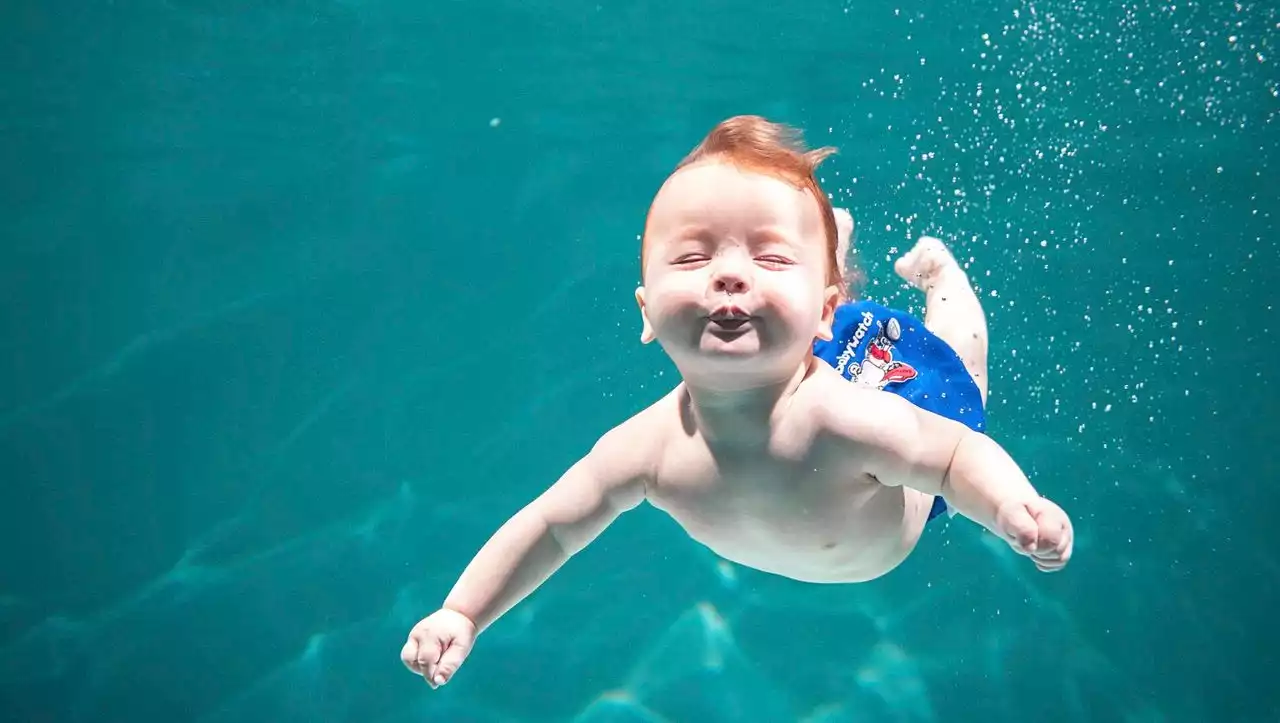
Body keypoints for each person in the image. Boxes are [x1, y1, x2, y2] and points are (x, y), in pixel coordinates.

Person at [401, 115, 1073, 689]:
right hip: (814, 337)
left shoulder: (850, 422)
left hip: (901, 473)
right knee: (793, 274)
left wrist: (1011, 505)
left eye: (765, 258)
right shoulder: (645, 448)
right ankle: (810, 252)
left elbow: (957, 454)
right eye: (692, 258)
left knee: (958, 360)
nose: (726, 271)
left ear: (823, 318)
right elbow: (552, 526)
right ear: (645, 313)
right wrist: (463, 611)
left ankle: (935, 273)